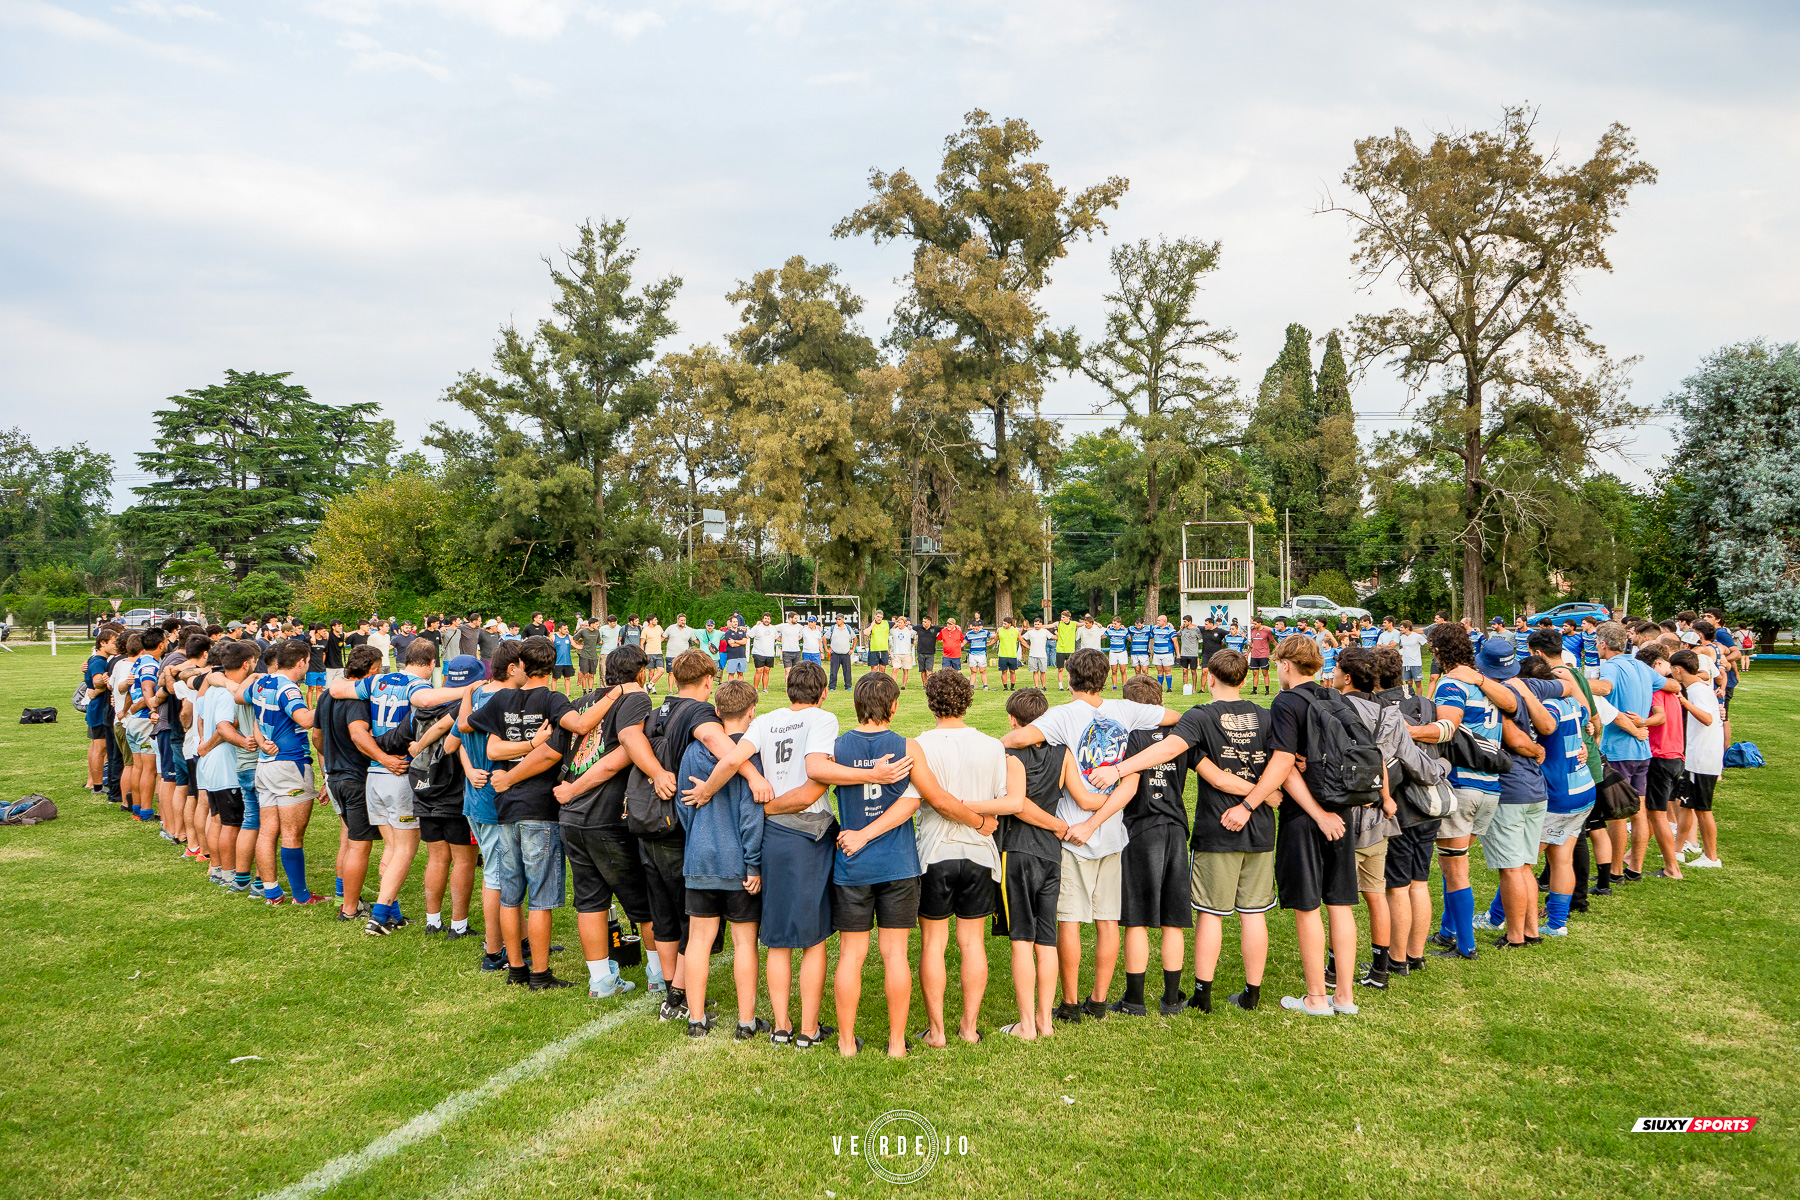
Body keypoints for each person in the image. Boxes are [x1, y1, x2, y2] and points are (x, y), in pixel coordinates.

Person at [683, 660, 904, 1047]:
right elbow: (815, 776)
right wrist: (872, 775)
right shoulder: (822, 719)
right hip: (807, 832)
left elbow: (733, 760)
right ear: (822, 693)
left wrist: (706, 792)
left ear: (788, 690)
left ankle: (782, 1026)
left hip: (773, 836)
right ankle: (807, 1029)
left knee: (779, 937)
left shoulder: (766, 720)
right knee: (813, 938)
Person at [1001, 648, 1177, 1023]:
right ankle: (1098, 1000)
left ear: (1068, 675)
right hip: (1113, 827)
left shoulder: (1062, 714)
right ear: (1108, 674)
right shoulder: (1125, 709)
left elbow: (1020, 738)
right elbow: (1177, 718)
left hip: (1072, 828)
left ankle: (1069, 1002)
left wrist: (993, 744)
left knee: (1068, 920)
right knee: (1107, 920)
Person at [1236, 635, 1359, 1016]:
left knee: (1308, 907)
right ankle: (1345, 996)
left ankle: (1317, 998)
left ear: (1286, 665)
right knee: (1340, 904)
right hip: (1342, 809)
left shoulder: (1286, 701)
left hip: (1307, 816)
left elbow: (1283, 763)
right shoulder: (1336, 698)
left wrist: (1250, 802)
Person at [465, 637, 582, 989]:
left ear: (522, 663)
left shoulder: (501, 698)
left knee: (511, 892)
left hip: (505, 806)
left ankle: (515, 968)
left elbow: (482, 735)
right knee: (540, 897)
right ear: (551, 664)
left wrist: (468, 694)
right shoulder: (553, 699)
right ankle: (540, 974)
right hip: (539, 806)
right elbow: (554, 749)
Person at [908, 670, 1013, 1048]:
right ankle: (968, 1028)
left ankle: (937, 1031)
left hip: (934, 851)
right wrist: (981, 819)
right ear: (968, 700)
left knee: (933, 943)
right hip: (980, 854)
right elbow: (1003, 800)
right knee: (973, 943)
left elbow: (919, 802)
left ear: (931, 702)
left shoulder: (918, 745)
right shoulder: (992, 745)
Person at [830, 673, 922, 1057]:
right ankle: (897, 1044)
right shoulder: (906, 745)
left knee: (852, 954)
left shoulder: (837, 748)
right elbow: (914, 800)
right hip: (897, 863)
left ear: (856, 705)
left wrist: (861, 832)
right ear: (895, 706)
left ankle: (846, 1042)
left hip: (853, 864)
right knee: (895, 954)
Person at [1099, 674, 1198, 1016]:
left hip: (1140, 828)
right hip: (1174, 828)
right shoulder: (1181, 735)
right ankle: (1172, 999)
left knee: (1138, 919)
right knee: (1173, 918)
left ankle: (1135, 999)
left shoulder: (1128, 736)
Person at [675, 679, 768, 1039]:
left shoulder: (692, 752)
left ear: (716, 712)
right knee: (745, 941)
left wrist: (699, 837)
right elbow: (751, 815)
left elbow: (684, 805)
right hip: (739, 864)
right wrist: (754, 862)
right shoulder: (750, 758)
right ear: (752, 712)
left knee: (698, 939)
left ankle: (695, 1018)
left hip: (699, 857)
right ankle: (746, 1021)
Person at [995, 687, 1071, 1038]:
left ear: (1014, 720)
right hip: (1052, 854)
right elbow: (1082, 796)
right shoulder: (1063, 751)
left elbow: (1018, 803)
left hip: (1018, 850)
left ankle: (1026, 1026)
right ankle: (1046, 1022)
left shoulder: (1010, 751)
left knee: (1022, 939)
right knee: (1047, 938)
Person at [314, 644, 394, 923]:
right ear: (373, 670)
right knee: (360, 845)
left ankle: (347, 896)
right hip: (356, 778)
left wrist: (327, 767)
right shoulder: (359, 699)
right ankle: (350, 908)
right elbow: (359, 735)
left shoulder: (326, 695)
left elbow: (316, 736)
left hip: (334, 776)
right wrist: (385, 759)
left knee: (348, 840)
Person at [1519, 654, 1596, 935]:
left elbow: (1543, 730)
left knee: (1520, 864)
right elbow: (1587, 717)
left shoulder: (1545, 708)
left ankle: (1498, 915)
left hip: (1557, 793)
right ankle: (1557, 923)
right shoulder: (1572, 702)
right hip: (1582, 789)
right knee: (1562, 859)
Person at [250, 639, 321, 906]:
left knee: (268, 831)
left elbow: (245, 703)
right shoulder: (288, 688)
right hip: (290, 764)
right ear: (301, 662)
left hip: (265, 764)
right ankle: (301, 896)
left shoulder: (260, 682)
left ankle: (271, 893)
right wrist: (326, 701)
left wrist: (259, 739)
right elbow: (304, 719)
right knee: (292, 834)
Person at [1590, 621, 1657, 886]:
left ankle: (1616, 870)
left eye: (1597, 642)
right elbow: (1671, 685)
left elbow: (1605, 689)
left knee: (1617, 810)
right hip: (1642, 749)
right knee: (1638, 810)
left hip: (1619, 749)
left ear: (1603, 644)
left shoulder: (1610, 666)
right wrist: (1644, 720)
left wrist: (1572, 680)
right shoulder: (1641, 664)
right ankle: (1635, 868)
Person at [1669, 649, 1724, 869]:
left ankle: (1711, 857)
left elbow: (1708, 719)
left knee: (1703, 809)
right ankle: (1677, 850)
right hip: (1695, 757)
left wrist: (1684, 703)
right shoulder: (1698, 688)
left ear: (1678, 670)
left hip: (1703, 759)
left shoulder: (1697, 691)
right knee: (1686, 805)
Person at [84, 626, 119, 792]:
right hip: (99, 708)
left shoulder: (96, 659)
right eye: (113, 642)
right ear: (102, 643)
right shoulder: (99, 661)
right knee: (100, 747)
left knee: (95, 747)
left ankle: (93, 782)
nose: (116, 645)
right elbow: (97, 680)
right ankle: (96, 785)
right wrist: (104, 683)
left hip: (96, 708)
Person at [1397, 621, 1428, 695]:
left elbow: (1426, 643)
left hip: (1416, 663)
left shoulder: (1417, 636)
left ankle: (1420, 698)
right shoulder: (1402, 637)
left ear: (1407, 628)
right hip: (1406, 663)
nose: (1400, 629)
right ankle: (1411, 698)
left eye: (1402, 627)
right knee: (1408, 683)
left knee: (1418, 682)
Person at [1245, 618, 1274, 695]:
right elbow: (1252, 643)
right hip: (1254, 655)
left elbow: (1273, 641)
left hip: (1264, 654)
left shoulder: (1267, 631)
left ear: (1260, 623)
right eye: (1253, 624)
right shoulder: (1252, 631)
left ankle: (1267, 690)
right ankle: (1254, 690)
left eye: (1255, 624)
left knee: (1265, 673)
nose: (1254, 625)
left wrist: (1280, 649)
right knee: (1255, 673)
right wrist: (1248, 653)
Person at [1150, 614, 1177, 694]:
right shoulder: (1155, 629)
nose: (1157, 622)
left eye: (1159, 620)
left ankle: (1169, 687)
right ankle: (1159, 687)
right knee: (1159, 671)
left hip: (1167, 653)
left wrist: (1178, 654)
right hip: (1157, 653)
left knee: (1167, 671)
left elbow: (1175, 642)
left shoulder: (1170, 630)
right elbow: (1149, 634)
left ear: (1164, 621)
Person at [827, 615, 855, 692]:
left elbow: (855, 638)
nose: (837, 621)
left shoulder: (848, 628)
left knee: (847, 671)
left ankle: (848, 686)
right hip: (835, 653)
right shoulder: (833, 628)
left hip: (846, 653)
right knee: (833, 671)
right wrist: (827, 649)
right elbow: (824, 637)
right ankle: (832, 686)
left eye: (839, 619)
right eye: (836, 619)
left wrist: (853, 649)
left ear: (843, 619)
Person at [1054, 610, 1079, 692]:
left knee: (1071, 669)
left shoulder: (1073, 624)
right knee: (1060, 669)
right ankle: (1060, 686)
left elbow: (1085, 623)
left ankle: (1069, 685)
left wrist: (1097, 624)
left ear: (1068, 617)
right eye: (1061, 617)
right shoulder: (1059, 624)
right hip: (1060, 650)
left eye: (1063, 617)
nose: (1062, 619)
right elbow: (1047, 626)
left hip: (1070, 650)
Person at [1176, 616, 1202, 696]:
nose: (1184, 623)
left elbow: (1200, 638)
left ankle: (1194, 688)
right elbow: (1176, 634)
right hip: (1184, 653)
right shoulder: (1183, 629)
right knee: (1185, 671)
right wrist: (1180, 628)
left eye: (1185, 621)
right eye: (1183, 621)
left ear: (1190, 622)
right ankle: (1185, 686)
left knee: (1193, 671)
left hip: (1193, 654)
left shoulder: (1196, 630)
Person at [890, 616, 917, 690]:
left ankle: (903, 685)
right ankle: (893, 685)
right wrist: (894, 626)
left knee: (905, 670)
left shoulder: (908, 631)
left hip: (906, 653)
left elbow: (915, 632)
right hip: (897, 653)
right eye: (898, 622)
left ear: (905, 624)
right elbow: (889, 632)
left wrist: (914, 637)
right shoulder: (894, 631)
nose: (899, 624)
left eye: (901, 623)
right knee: (895, 669)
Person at [966, 616, 992, 690]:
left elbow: (994, 637)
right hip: (972, 654)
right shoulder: (969, 634)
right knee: (973, 671)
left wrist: (989, 644)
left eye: (976, 628)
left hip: (982, 654)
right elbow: (965, 641)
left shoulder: (984, 632)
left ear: (979, 627)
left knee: (982, 670)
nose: (975, 630)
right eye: (973, 628)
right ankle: (971, 686)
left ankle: (985, 686)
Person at [1105, 617, 1130, 692]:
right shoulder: (1110, 630)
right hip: (1113, 652)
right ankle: (1114, 687)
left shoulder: (1124, 631)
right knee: (1114, 670)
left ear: (1119, 623)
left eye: (1115, 624)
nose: (1114, 625)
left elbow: (1130, 639)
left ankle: (1124, 686)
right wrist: (1106, 629)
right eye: (1113, 623)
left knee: (1123, 670)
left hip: (1122, 652)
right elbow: (1102, 636)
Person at [552, 623, 576, 696]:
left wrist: (585, 647)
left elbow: (575, 645)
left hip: (567, 662)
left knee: (567, 678)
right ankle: (553, 693)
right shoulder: (554, 637)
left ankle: (567, 694)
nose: (566, 630)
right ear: (559, 629)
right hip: (557, 662)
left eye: (567, 629)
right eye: (564, 629)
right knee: (555, 678)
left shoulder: (569, 637)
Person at [865, 610, 891, 676]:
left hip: (883, 649)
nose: (879, 618)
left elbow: (897, 624)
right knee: (874, 669)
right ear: (875, 616)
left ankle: (881, 684)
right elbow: (866, 633)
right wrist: (872, 625)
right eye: (878, 617)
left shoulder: (886, 623)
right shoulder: (871, 625)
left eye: (881, 617)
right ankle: (873, 683)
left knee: (882, 669)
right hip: (874, 649)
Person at [778, 611, 804, 677]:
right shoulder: (783, 626)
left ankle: (796, 687)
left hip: (796, 651)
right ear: (790, 618)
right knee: (788, 671)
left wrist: (800, 637)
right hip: (786, 651)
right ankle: (788, 687)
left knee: (796, 671)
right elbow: (772, 628)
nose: (796, 620)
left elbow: (806, 629)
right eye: (795, 618)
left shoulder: (799, 626)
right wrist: (777, 638)